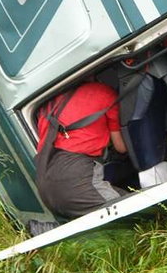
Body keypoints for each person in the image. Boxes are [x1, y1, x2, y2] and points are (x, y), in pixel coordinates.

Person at [34, 80, 128, 219]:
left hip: (46, 189)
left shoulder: (49, 105)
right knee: (139, 212)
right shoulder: (104, 92)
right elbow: (121, 147)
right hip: (76, 179)